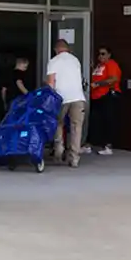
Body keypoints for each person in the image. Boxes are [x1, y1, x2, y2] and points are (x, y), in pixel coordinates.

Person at [46, 39, 86, 168]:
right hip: (78, 98)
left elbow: (51, 82)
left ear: (56, 50)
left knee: (58, 123)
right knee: (76, 127)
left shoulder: (54, 61)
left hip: (61, 97)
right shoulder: (75, 60)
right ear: (67, 49)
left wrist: (49, 98)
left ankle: (59, 150)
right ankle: (74, 158)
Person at [87, 45, 122, 156]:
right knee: (94, 120)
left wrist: (98, 84)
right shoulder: (98, 66)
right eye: (99, 54)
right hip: (96, 96)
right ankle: (89, 144)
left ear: (109, 55)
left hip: (107, 95)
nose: (100, 56)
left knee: (108, 120)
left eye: (103, 54)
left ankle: (108, 145)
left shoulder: (111, 64)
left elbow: (113, 79)